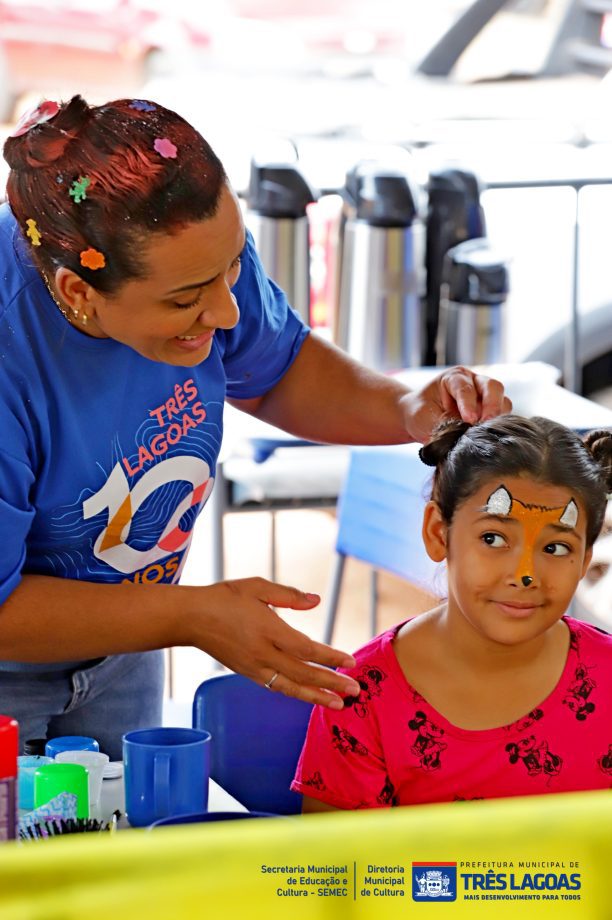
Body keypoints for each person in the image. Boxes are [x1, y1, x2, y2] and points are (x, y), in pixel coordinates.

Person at [0, 95, 510, 760]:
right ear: (77, 293)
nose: (226, 312)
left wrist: (407, 410)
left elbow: (279, 367)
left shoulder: (197, 256)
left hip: (126, 644)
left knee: (116, 847)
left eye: (232, 268)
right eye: (185, 300)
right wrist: (191, 615)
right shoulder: (13, 348)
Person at [292, 415, 612, 810]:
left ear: (585, 560)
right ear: (438, 534)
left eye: (556, 548)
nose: (525, 575)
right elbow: (335, 868)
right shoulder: (362, 697)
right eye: (493, 538)